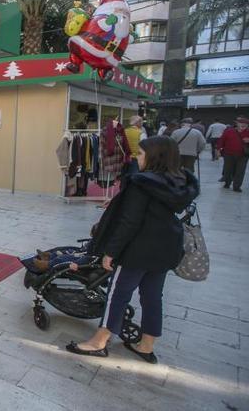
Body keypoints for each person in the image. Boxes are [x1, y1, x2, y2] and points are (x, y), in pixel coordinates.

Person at [66, 136, 199, 363]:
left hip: (138, 249)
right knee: (153, 296)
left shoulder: (143, 183)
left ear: (154, 156)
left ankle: (98, 342)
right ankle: (146, 345)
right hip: (166, 248)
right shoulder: (179, 182)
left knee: (118, 294)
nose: (137, 157)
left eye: (141, 153)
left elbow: (130, 222)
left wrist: (110, 252)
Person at [218, 116, 249, 193]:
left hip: (243, 155)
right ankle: (227, 183)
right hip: (228, 154)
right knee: (228, 170)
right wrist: (218, 150)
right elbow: (221, 140)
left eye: (246, 124)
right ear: (237, 124)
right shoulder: (229, 131)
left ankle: (237, 186)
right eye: (241, 123)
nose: (243, 125)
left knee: (240, 171)